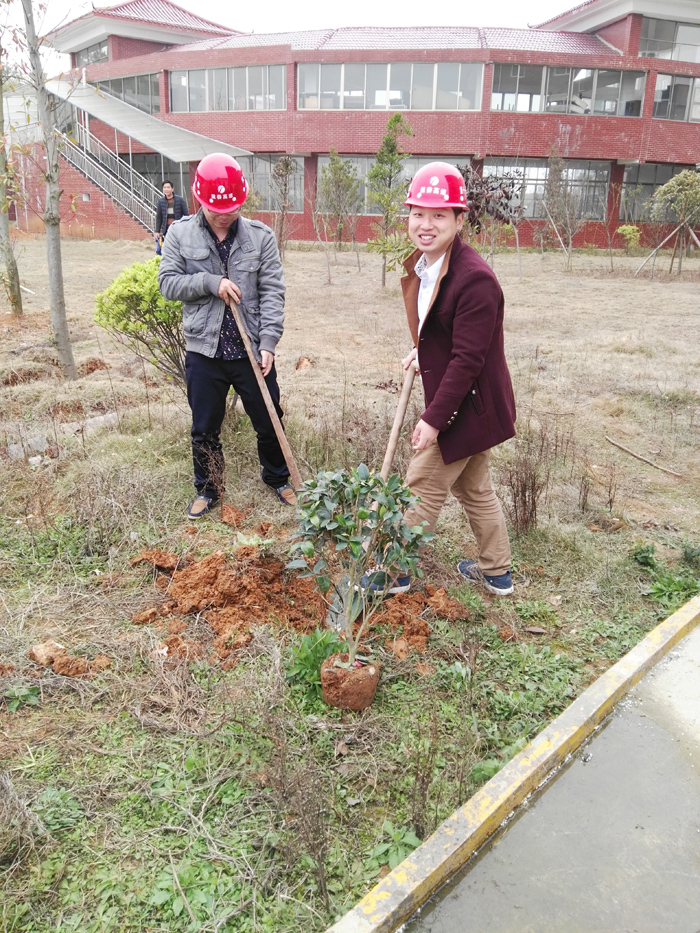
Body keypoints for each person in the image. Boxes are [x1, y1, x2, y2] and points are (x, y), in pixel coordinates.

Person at [397, 161, 517, 596]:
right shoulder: (429, 264)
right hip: (468, 404)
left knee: (421, 486)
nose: (425, 225)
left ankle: (394, 574)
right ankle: (496, 572)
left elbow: (467, 360)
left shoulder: (475, 279)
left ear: (460, 219)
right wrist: (421, 349)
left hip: (467, 407)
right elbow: (444, 332)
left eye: (438, 215)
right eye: (417, 214)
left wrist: (433, 419)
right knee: (474, 488)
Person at [158, 153, 296, 518]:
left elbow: (272, 292)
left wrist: (268, 343)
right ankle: (208, 488)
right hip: (205, 350)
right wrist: (210, 282)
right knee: (204, 428)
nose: (224, 215)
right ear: (200, 199)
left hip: (250, 350)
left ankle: (278, 477)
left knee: (269, 419)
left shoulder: (260, 238)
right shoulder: (179, 233)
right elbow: (167, 283)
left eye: (231, 208)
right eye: (216, 208)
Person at [154, 180, 189, 251]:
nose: (166, 189)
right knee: (168, 248)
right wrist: (157, 231)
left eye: (168, 187)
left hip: (178, 229)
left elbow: (186, 215)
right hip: (167, 229)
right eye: (164, 188)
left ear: (172, 189)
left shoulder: (180, 200)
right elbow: (159, 217)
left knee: (179, 247)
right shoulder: (161, 201)